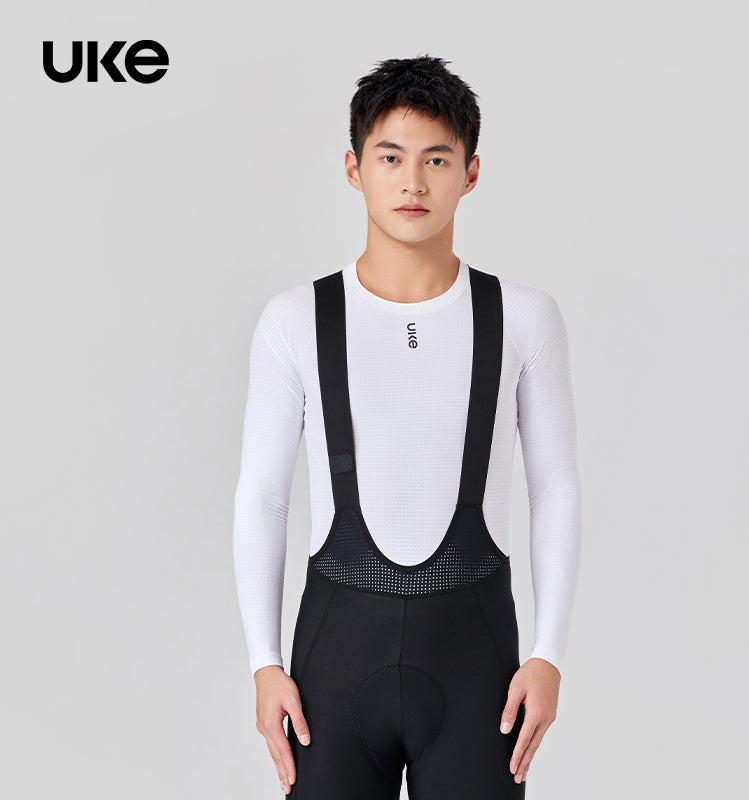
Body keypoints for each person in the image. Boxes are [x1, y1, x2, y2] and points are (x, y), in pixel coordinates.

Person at [232, 54, 581, 799]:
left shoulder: (523, 318)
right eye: (390, 157)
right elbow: (263, 494)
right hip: (333, 665)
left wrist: (549, 653)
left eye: (437, 159)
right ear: (354, 169)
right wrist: (264, 663)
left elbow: (555, 486)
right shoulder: (295, 320)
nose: (413, 183)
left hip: (477, 666)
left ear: (471, 173)